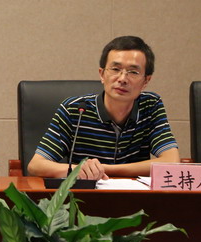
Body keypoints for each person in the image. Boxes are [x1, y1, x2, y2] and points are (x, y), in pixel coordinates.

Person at [27, 36, 179, 180]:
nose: (122, 79)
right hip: (85, 196)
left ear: (146, 81)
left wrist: (104, 169)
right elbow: (36, 165)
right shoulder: (75, 109)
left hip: (133, 196)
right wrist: (79, 169)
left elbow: (171, 162)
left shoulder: (151, 106)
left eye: (133, 72)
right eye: (115, 69)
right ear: (102, 74)